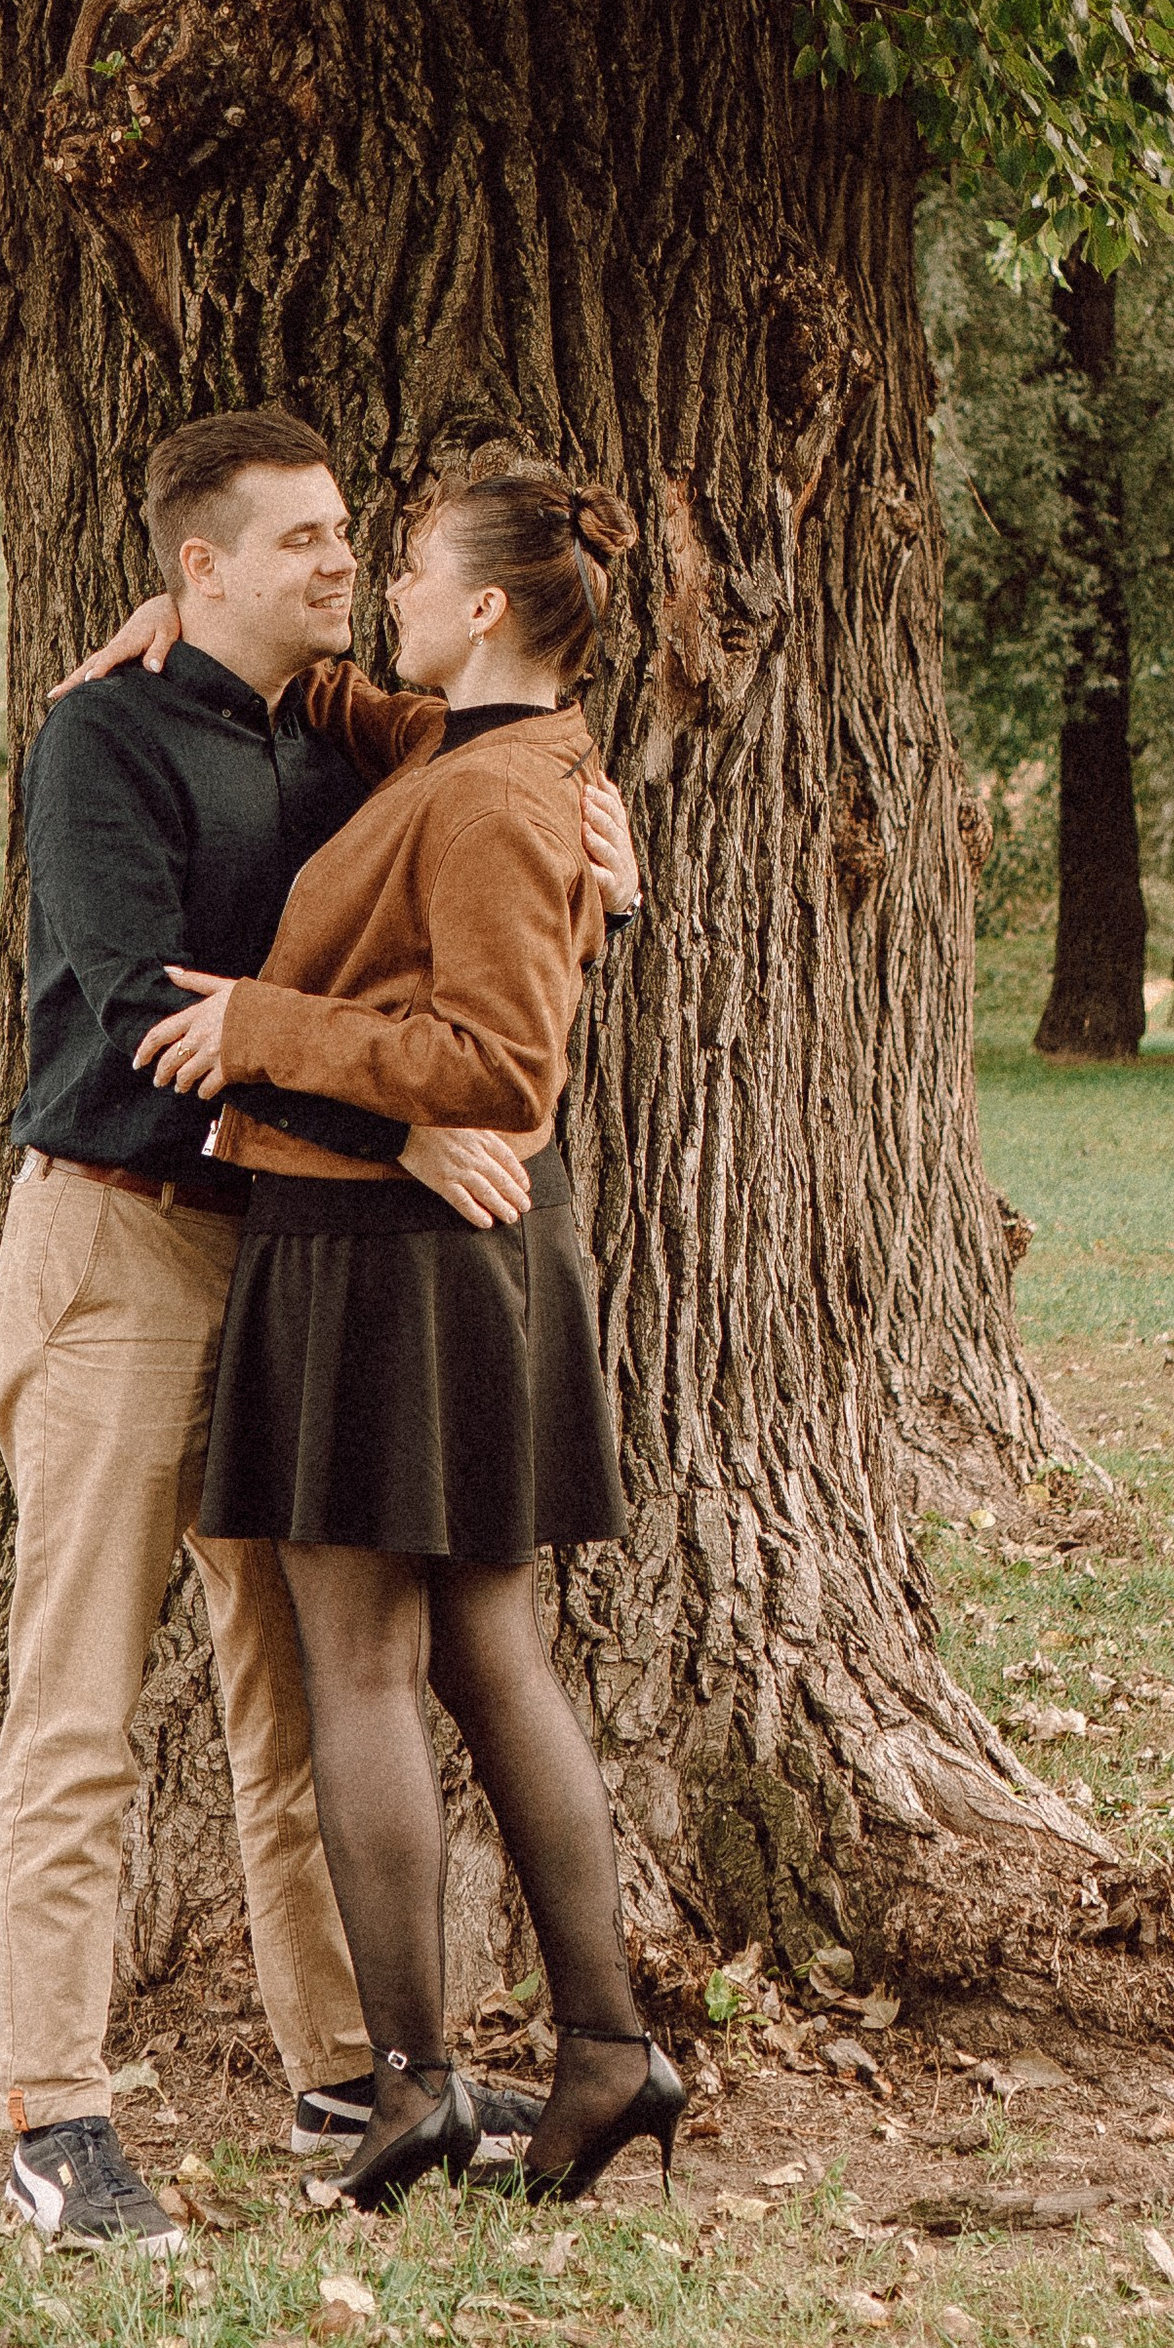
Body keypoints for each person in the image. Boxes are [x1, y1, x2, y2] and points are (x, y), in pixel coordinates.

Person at [0, 406, 640, 2254]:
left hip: (292, 1266)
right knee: (80, 1701)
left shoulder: (362, 736)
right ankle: (55, 2118)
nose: (345, 562)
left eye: (357, 535)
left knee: (298, 1695)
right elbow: (140, 1008)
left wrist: (603, 843)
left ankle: (352, 2074)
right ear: (199, 569)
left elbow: (503, 816)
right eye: (304, 541)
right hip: (124, 1252)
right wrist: (397, 1126)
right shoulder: (103, 738)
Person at [134, 458, 683, 2213]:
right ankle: (603, 2055)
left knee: (371, 1664)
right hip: (423, 1257)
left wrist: (265, 1026)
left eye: (417, 572)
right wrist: (173, 620)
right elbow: (363, 708)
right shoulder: (479, 749)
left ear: (489, 607)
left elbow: (501, 1072)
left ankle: (422, 2087)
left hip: (390, 1258)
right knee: (484, 1652)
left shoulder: (505, 793)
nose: (388, 595)